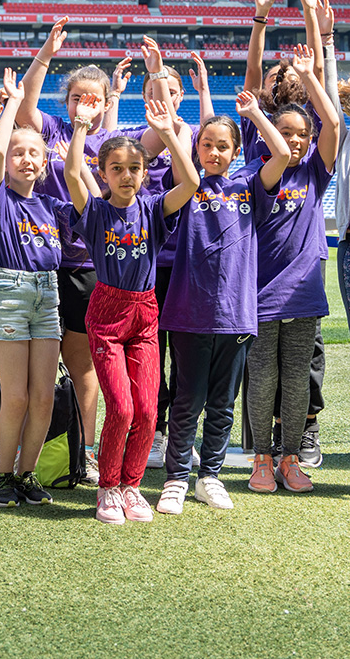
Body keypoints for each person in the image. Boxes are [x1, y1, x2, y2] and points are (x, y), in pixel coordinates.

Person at [15, 18, 146, 485]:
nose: (81, 105)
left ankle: (87, 453)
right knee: (42, 368)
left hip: (92, 268)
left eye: (93, 98)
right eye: (76, 97)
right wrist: (47, 52)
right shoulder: (51, 130)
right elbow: (26, 102)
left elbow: (145, 143)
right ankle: (32, 452)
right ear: (66, 101)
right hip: (47, 263)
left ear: (106, 103)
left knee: (86, 365)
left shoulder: (109, 144)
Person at [66, 94, 198, 524]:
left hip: (145, 314)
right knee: (120, 408)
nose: (126, 176)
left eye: (134, 169)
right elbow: (71, 171)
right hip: (105, 313)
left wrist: (168, 133)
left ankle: (131, 487)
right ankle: (107, 487)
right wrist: (82, 128)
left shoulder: (154, 209)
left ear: (144, 172)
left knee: (145, 409)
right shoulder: (97, 211)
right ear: (102, 173)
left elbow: (192, 182)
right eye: (116, 169)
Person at [156, 93, 289, 514]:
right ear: (196, 147)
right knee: (186, 401)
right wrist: (168, 132)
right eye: (206, 144)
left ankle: (209, 477)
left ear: (236, 151)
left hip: (236, 315)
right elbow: (181, 167)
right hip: (189, 313)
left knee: (221, 405)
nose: (214, 152)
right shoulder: (186, 187)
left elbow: (282, 153)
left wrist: (253, 114)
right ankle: (176, 479)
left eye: (223, 145)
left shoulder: (250, 184)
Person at [107, 46, 214, 469]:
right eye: (155, 90)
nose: (162, 98)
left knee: (183, 352)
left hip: (184, 260)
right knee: (148, 352)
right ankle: (153, 430)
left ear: (181, 97)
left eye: (170, 92)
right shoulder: (137, 137)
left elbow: (185, 170)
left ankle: (179, 434)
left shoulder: (187, 134)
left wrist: (157, 74)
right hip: (144, 262)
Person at [246, 44, 338, 494]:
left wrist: (310, 74)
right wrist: (270, 128)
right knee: (263, 378)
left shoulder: (315, 175)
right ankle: (260, 458)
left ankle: (289, 459)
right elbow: (278, 151)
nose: (297, 141)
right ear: (269, 133)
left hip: (304, 294)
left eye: (303, 133)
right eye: (288, 132)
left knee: (297, 379)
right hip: (262, 294)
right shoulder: (262, 171)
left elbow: (334, 124)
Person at [0, 70, 72, 508]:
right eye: (19, 153)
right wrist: (12, 107)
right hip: (10, 294)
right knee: (15, 395)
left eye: (35, 152)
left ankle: (27, 473)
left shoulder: (52, 206)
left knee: (43, 396)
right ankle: (2, 475)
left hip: (48, 296)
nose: (26, 159)